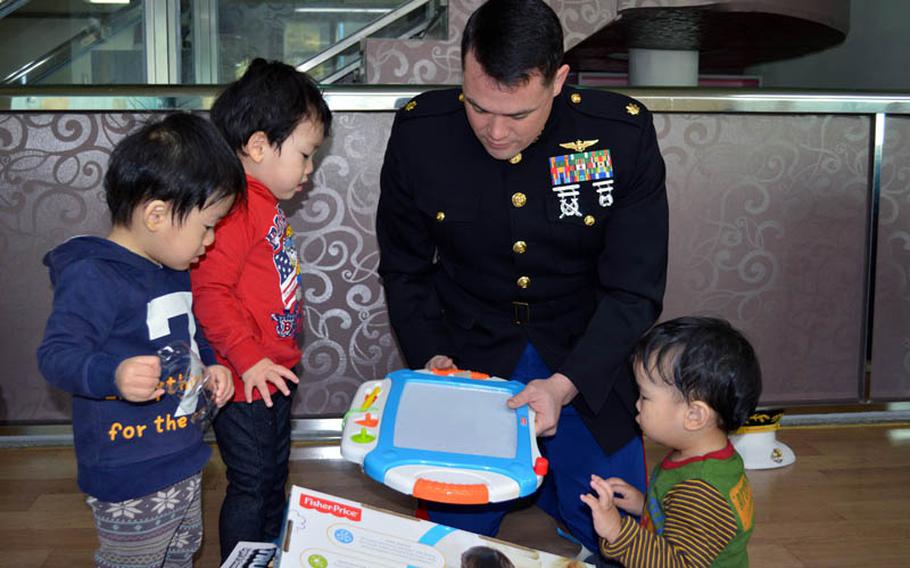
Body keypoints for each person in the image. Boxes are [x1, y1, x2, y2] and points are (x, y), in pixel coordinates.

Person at [376, 0, 668, 557]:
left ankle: (552, 488)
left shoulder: (619, 135)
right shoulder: (421, 132)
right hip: (471, 351)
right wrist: (435, 361)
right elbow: (406, 268)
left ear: (558, 80)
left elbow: (635, 289)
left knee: (616, 529)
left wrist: (565, 384)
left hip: (585, 355)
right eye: (479, 106)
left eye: (517, 115)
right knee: (452, 538)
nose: (494, 131)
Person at [36, 112, 242, 567]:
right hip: (127, 469)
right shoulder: (93, 276)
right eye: (207, 225)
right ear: (156, 214)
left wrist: (211, 364)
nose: (210, 241)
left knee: (180, 553)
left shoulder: (171, 268)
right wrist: (112, 373)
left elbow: (190, 332)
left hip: (181, 454)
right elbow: (55, 355)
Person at [190, 58, 332, 561]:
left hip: (269, 371)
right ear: (257, 145)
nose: (309, 170)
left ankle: (265, 552)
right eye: (305, 154)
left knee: (272, 475)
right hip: (244, 372)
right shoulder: (236, 206)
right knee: (252, 482)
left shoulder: (263, 203)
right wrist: (249, 361)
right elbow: (210, 291)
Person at [581, 317, 762, 567]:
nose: (636, 403)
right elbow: (683, 519)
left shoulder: (702, 493)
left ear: (694, 416)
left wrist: (616, 531)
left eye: (644, 396)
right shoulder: (707, 457)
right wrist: (644, 504)